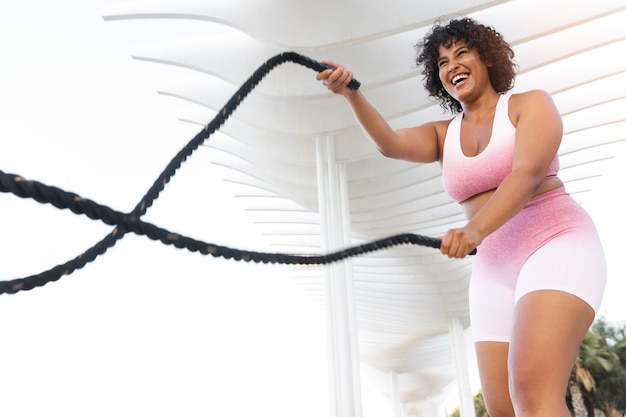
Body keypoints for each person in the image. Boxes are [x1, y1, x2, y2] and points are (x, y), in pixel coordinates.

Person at [316, 17, 606, 417]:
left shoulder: (530, 104)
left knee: (532, 388)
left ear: (486, 58)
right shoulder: (443, 134)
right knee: (502, 407)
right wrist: (351, 94)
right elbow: (391, 144)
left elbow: (528, 174)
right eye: (442, 62)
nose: (452, 65)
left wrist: (474, 230)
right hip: (494, 265)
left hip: (555, 241)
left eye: (461, 53)